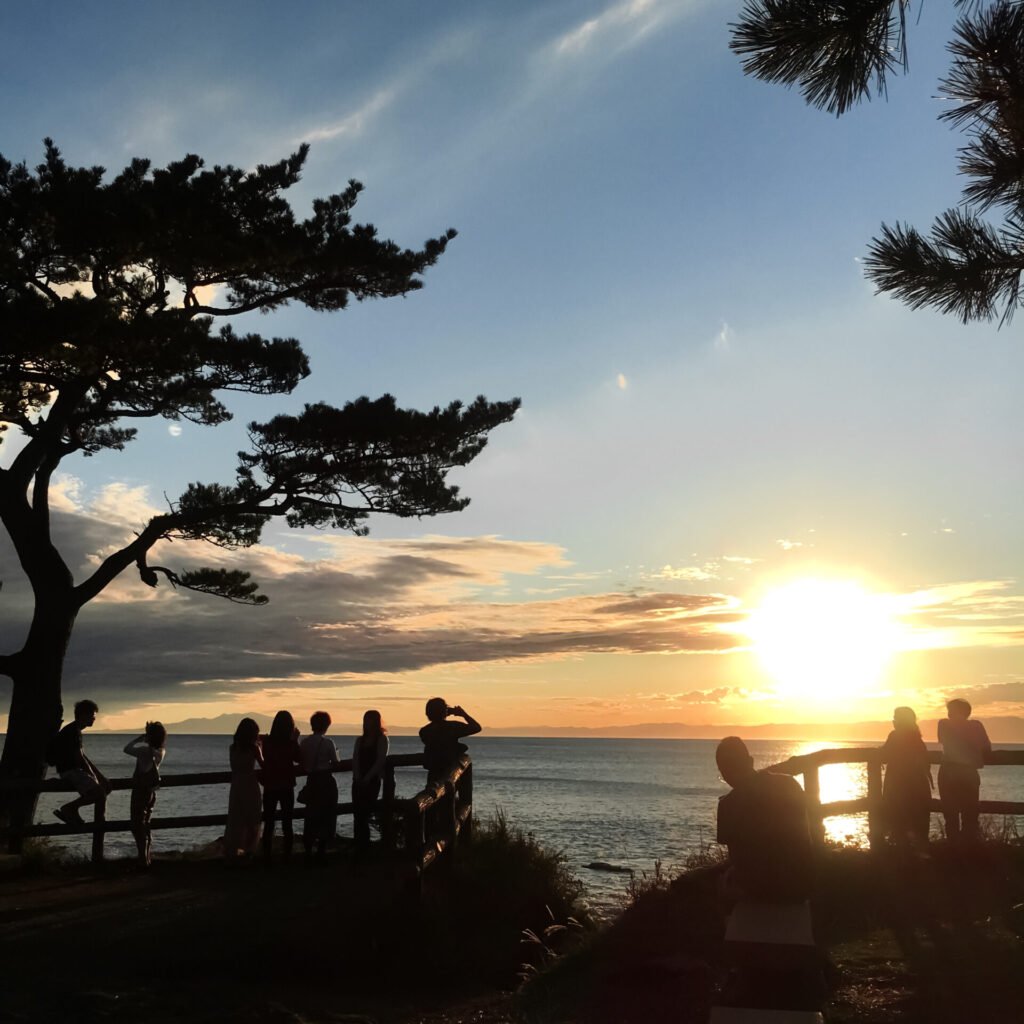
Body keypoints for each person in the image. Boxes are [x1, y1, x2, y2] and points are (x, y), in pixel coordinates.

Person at [715, 736, 814, 903]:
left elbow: (738, 859)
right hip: (801, 885)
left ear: (723, 772)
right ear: (750, 761)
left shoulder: (728, 805)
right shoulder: (789, 784)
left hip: (758, 892)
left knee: (716, 886)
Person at [937, 698, 992, 843]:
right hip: (968, 772)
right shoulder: (976, 726)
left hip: (948, 771)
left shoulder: (943, 724)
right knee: (970, 813)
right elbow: (986, 747)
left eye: (951, 711)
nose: (949, 714)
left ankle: (954, 849)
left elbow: (944, 741)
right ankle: (968, 848)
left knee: (951, 814)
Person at [52, 699, 112, 825]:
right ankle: (70, 808)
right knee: (100, 793)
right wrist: (95, 777)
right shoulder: (73, 731)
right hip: (70, 770)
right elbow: (79, 758)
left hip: (70, 770)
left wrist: (99, 776)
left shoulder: (73, 730)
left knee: (100, 792)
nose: (94, 719)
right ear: (84, 714)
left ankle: (72, 812)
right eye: (93, 715)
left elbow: (82, 757)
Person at [880, 706, 933, 846]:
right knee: (918, 822)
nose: (893, 720)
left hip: (898, 786)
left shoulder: (896, 735)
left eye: (895, 717)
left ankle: (901, 855)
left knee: (898, 821)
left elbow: (885, 754)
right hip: (918, 785)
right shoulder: (917, 737)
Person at [123, 721, 166, 867]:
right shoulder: (161, 751)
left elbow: (126, 749)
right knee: (146, 824)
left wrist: (138, 739)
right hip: (151, 792)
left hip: (140, 791)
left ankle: (142, 858)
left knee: (136, 825)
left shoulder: (144, 752)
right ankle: (147, 857)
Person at [261, 710, 302, 863]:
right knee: (287, 823)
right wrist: (295, 740)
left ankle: (266, 857)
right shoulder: (290, 743)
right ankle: (287, 856)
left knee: (269, 823)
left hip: (270, 786)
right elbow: (298, 759)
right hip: (286, 786)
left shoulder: (267, 742)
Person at [299, 710, 339, 863]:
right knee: (326, 816)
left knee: (311, 816)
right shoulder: (328, 743)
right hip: (326, 782)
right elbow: (335, 763)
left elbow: (302, 762)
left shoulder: (304, 742)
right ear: (327, 725)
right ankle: (321, 852)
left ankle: (308, 852)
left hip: (312, 781)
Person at [224, 717, 263, 862]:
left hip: (236, 784)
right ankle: (249, 850)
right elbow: (263, 764)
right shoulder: (253, 748)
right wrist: (261, 747)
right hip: (250, 784)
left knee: (236, 819)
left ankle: (233, 850)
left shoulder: (233, 748)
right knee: (252, 818)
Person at [352, 710, 389, 857]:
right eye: (366, 720)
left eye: (371, 720)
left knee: (365, 813)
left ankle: (364, 848)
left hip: (372, 781)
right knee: (358, 815)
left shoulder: (382, 739)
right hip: (358, 781)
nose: (368, 723)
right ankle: (359, 846)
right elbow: (355, 759)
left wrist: (367, 778)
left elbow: (380, 760)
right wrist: (357, 776)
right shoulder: (359, 740)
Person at [419, 698, 481, 784]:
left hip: (433, 771)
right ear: (444, 711)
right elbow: (476, 728)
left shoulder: (424, 731)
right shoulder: (452, 727)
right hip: (450, 770)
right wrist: (463, 714)